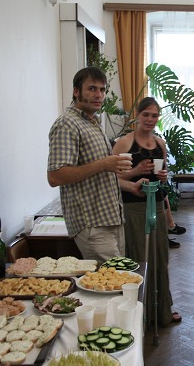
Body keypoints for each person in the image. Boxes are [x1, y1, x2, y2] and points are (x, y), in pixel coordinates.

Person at [47, 66, 144, 262]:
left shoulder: (93, 123)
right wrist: (103, 164)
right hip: (92, 223)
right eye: (92, 89)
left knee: (118, 277)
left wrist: (130, 186)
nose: (99, 95)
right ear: (76, 91)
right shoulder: (67, 124)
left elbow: (100, 176)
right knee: (112, 278)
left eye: (102, 90)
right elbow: (55, 176)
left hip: (111, 218)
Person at [112, 97, 181, 326]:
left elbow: (164, 176)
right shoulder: (124, 143)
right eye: (146, 115)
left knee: (160, 257)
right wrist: (136, 172)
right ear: (138, 116)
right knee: (139, 257)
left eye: (154, 115)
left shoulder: (160, 143)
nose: (150, 119)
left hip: (157, 206)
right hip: (133, 208)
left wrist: (163, 176)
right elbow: (111, 179)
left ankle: (162, 311)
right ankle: (139, 314)